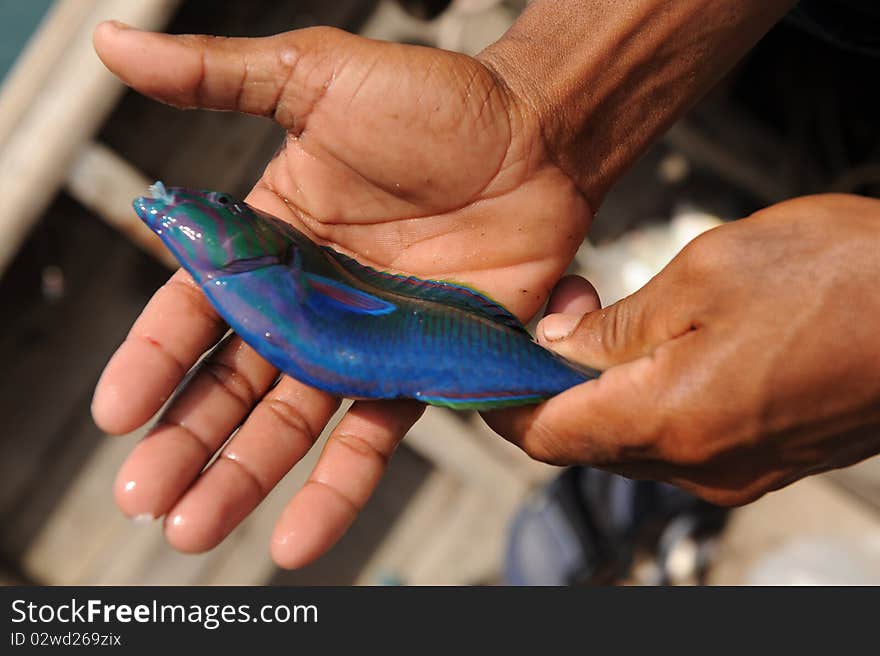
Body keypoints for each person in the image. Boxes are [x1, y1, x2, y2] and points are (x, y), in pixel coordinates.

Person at [90, 0, 880, 570]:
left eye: (221, 209)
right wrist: (543, 103)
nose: (190, 216)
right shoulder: (263, 267)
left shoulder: (269, 270)